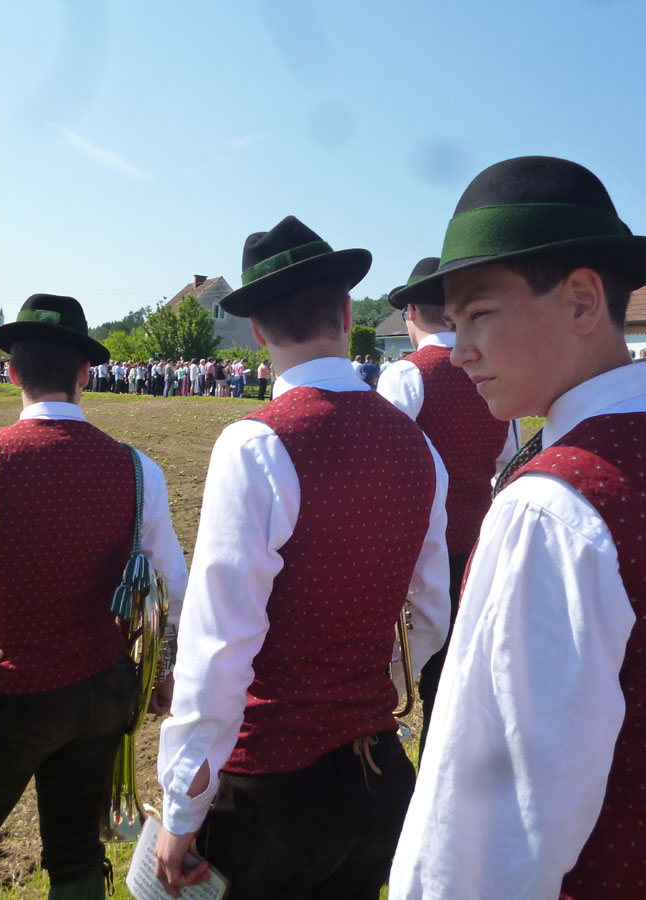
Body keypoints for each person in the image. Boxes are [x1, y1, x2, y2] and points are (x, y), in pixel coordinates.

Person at [388, 157, 646, 900]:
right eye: (454, 322)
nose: (459, 350)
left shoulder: (551, 509)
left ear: (583, 301)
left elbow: (486, 821)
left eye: (480, 313)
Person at [153, 215, 451, 900]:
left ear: (257, 331)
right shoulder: (418, 446)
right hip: (377, 775)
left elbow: (218, 646)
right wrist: (368, 691)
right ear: (347, 314)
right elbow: (432, 612)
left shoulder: (256, 445)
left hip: (273, 792)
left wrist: (181, 806)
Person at [0, 293, 188, 900]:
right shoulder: (138, 470)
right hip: (104, 694)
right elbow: (174, 586)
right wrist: (163, 671)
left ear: (12, 372)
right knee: (77, 853)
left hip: (11, 697)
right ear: (85, 374)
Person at [378, 256, 519, 755]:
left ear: (411, 312)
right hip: (476, 546)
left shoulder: (406, 375)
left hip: (418, 552)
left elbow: (385, 469)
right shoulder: (492, 372)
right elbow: (507, 462)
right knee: (457, 675)